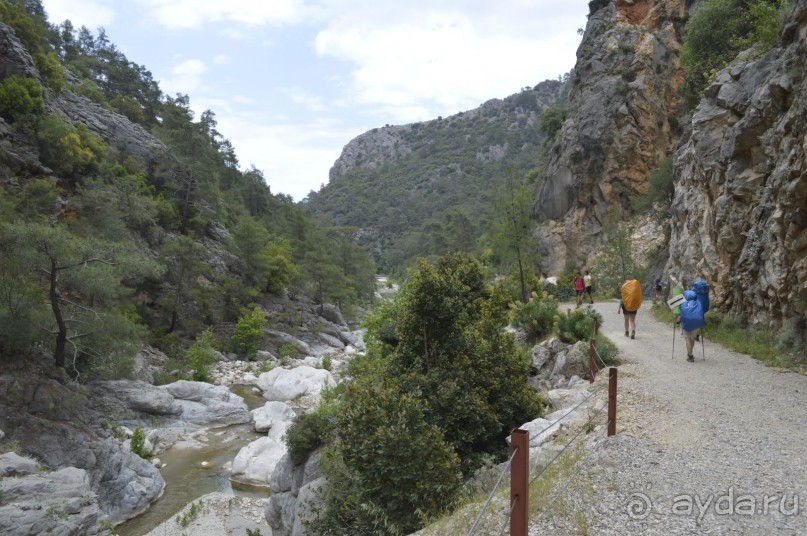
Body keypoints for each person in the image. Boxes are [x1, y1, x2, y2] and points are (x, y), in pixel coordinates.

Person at [680, 289, 706, 362]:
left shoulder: (683, 303)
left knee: (687, 338)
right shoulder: (698, 302)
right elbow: (702, 313)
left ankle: (690, 355)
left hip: (686, 323)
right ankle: (690, 352)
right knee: (692, 339)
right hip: (697, 324)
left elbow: (679, 313)